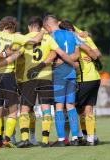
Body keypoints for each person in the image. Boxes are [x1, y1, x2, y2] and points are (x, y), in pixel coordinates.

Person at [0, 16, 75, 148]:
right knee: (46, 109)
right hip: (46, 77)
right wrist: (73, 63)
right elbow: (59, 53)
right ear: (40, 26)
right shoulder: (48, 38)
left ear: (30, 26)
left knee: (25, 109)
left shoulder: (25, 38)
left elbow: (15, 55)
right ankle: (45, 141)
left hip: (29, 78)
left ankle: (24, 139)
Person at [0, 16, 47, 148]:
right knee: (13, 110)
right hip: (7, 76)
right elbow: (36, 40)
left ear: (2, 25)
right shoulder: (15, 38)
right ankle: (6, 139)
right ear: (13, 26)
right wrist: (43, 30)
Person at [59, 20, 101, 145]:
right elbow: (98, 53)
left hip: (84, 79)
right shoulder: (86, 37)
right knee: (87, 109)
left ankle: (73, 137)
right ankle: (91, 138)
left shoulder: (74, 38)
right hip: (94, 78)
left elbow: (85, 52)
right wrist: (94, 59)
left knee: (70, 107)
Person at [43, 15, 82, 146]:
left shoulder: (51, 36)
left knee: (59, 107)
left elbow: (52, 56)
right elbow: (77, 54)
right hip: (71, 73)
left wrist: (57, 63)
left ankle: (61, 139)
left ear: (48, 26)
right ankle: (75, 137)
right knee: (70, 105)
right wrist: (71, 62)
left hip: (59, 75)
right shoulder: (72, 34)